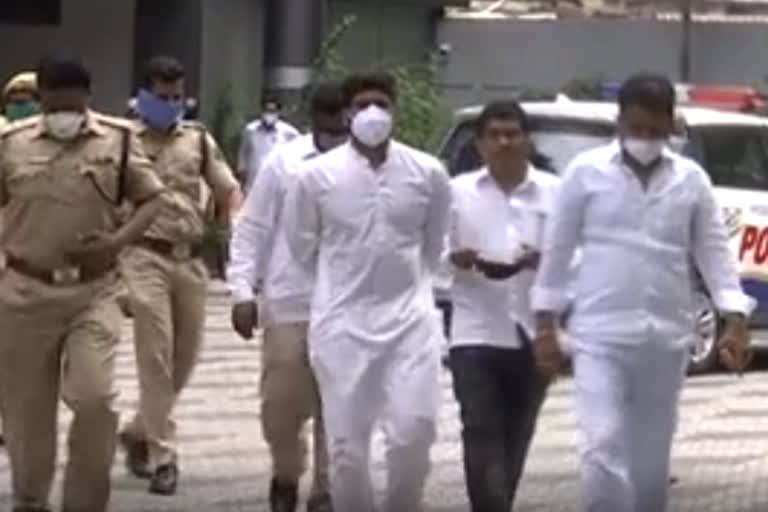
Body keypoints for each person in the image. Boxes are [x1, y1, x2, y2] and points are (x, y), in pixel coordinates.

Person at [531, 72, 754, 512]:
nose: (645, 138)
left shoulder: (691, 180)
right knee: (602, 445)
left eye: (655, 130)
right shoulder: (585, 174)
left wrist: (736, 320)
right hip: (599, 334)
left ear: (672, 124)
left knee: (651, 459)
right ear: (620, 122)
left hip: (666, 336)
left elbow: (714, 251)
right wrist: (545, 324)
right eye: (636, 129)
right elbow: (556, 251)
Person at [0, 54, 166, 512]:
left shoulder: (119, 140)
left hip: (94, 291)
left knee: (95, 399)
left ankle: (85, 501)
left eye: (72, 107)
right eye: (54, 107)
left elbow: (152, 199)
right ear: (42, 100)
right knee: (26, 414)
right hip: (24, 292)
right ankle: (31, 499)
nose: (64, 118)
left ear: (88, 99)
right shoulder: (10, 145)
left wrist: (116, 242)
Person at [283, 71, 452, 512]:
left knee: (414, 434)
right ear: (345, 113)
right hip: (341, 325)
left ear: (394, 110)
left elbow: (435, 247)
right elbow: (302, 247)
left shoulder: (427, 172)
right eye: (362, 106)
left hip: (409, 323)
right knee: (347, 448)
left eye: (381, 104)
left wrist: (409, 289)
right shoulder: (315, 177)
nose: (372, 114)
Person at [118, 55, 241, 496]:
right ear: (144, 95)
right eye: (162, 96)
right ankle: (163, 456)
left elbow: (228, 187)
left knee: (183, 361)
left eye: (177, 97)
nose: (171, 105)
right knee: (156, 354)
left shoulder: (198, 140)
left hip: (190, 262)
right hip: (142, 256)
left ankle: (137, 430)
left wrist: (235, 216)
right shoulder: (122, 141)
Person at [228, 81, 348, 512]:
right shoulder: (285, 163)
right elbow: (253, 227)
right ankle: (286, 474)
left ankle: (326, 491)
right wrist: (243, 290)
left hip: (350, 307)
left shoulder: (376, 164)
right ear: (314, 118)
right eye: (329, 117)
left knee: (340, 406)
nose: (338, 127)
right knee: (282, 405)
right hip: (291, 302)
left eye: (344, 117)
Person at [447, 100, 559, 512]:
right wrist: (455, 258)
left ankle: (497, 504)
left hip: (534, 331)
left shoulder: (555, 192)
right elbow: (433, 253)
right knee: (479, 426)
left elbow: (577, 257)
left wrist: (541, 259)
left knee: (517, 430)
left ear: (527, 140)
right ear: (480, 143)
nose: (504, 142)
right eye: (494, 135)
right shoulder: (457, 192)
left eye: (512, 134)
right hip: (475, 329)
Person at [237, 97, 299, 193]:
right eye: (266, 110)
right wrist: (241, 180)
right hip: (253, 183)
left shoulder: (289, 133)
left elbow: (297, 155)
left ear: (278, 112)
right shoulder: (250, 130)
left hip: (277, 184)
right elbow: (243, 156)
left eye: (272, 111)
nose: (269, 114)